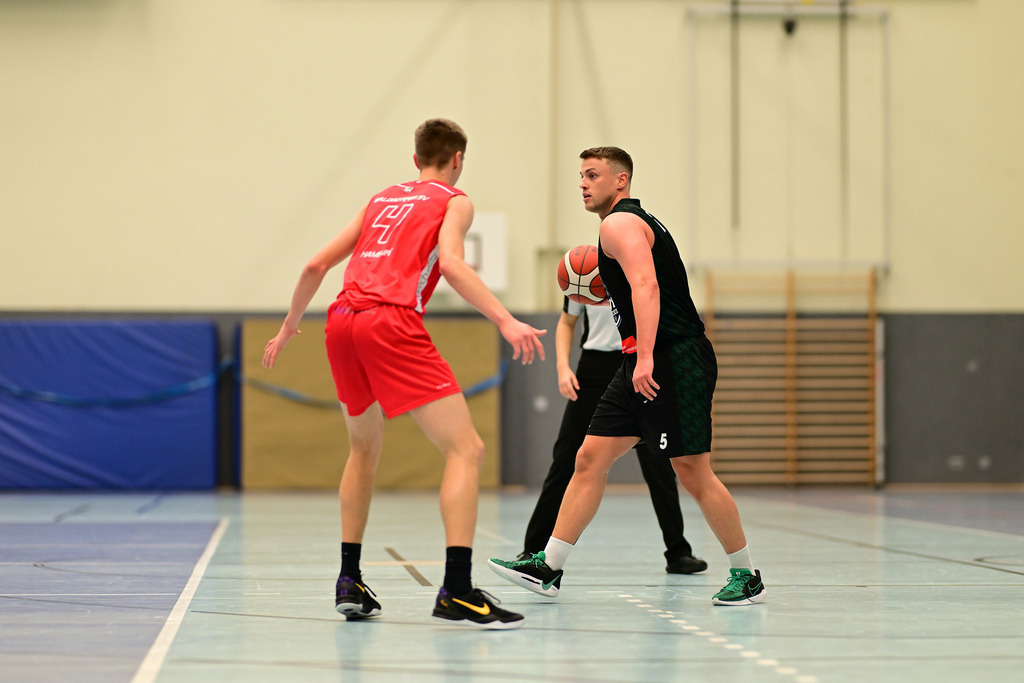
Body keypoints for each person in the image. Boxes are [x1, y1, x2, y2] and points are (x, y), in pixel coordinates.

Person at [263, 118, 546, 629]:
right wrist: (505, 320)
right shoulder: (454, 201)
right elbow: (454, 267)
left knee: (362, 449)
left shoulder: (380, 199)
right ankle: (458, 589)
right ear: (458, 159)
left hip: (341, 321)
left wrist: (287, 327)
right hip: (389, 321)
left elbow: (314, 265)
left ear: (415, 160)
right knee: (467, 450)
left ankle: (349, 578)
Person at [489, 147, 766, 606]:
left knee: (692, 471)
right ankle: (548, 566)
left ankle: (746, 573)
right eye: (580, 175)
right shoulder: (623, 225)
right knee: (588, 457)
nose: (582, 183)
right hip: (641, 358)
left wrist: (645, 357)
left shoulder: (618, 224)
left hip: (672, 357)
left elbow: (646, 284)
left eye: (592, 175)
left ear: (621, 181)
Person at [517, 296, 707, 575]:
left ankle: (678, 551)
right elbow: (567, 322)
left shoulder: (643, 271)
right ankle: (533, 548)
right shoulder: (585, 268)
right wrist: (562, 367)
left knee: (658, 461)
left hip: (638, 362)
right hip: (592, 369)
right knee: (566, 458)